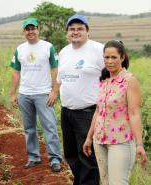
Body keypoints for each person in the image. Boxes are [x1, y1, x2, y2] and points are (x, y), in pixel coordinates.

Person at [83, 40, 147, 185]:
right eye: (106, 57)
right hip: (99, 140)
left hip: (120, 141)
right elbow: (98, 111)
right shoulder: (104, 81)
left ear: (122, 58)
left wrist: (139, 144)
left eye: (114, 57)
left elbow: (134, 113)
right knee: (105, 182)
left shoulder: (130, 81)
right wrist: (89, 138)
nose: (110, 61)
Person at [9, 17, 62, 172]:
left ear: (38, 29)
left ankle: (55, 159)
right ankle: (33, 157)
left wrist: (54, 91)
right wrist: (13, 94)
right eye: (27, 29)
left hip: (43, 94)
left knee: (50, 127)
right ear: (24, 31)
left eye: (33, 28)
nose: (30, 31)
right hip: (24, 95)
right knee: (29, 128)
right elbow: (16, 73)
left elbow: (55, 70)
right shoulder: (20, 49)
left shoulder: (48, 47)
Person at [57, 14, 103, 185]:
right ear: (67, 32)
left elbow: (114, 73)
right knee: (71, 154)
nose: (75, 32)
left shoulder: (99, 50)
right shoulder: (63, 52)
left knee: (88, 156)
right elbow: (61, 80)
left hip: (88, 113)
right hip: (67, 112)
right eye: (72, 29)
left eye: (80, 29)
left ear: (87, 32)